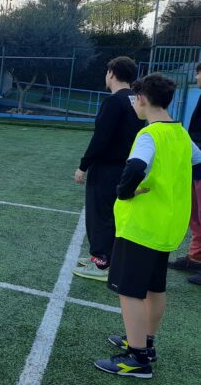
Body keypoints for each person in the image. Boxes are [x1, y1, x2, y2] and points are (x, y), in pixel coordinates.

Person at [94, 73, 201, 379]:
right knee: (155, 286)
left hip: (142, 225)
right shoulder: (180, 134)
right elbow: (199, 162)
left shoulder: (149, 135)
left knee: (129, 291)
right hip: (167, 226)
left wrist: (124, 192)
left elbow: (136, 166)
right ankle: (145, 343)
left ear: (141, 98)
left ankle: (136, 358)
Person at [73, 57, 143, 282]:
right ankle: (105, 258)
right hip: (125, 166)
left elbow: (101, 138)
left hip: (107, 168)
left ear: (112, 73)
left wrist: (83, 165)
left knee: (100, 214)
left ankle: (102, 262)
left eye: (107, 72)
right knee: (113, 214)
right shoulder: (136, 99)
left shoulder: (114, 101)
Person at [169, 62, 201, 286]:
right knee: (195, 215)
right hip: (196, 165)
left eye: (199, 73)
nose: (197, 77)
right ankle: (195, 257)